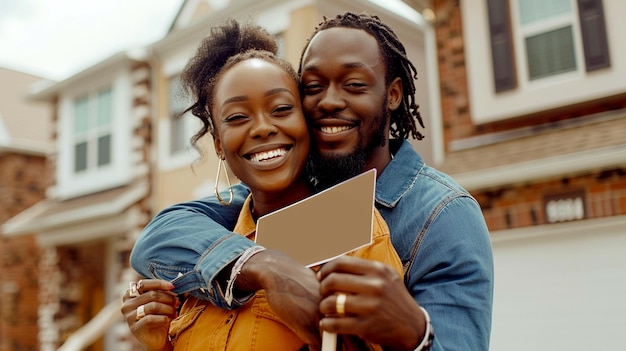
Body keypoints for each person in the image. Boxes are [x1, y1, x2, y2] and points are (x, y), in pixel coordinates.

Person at [129, 12, 494, 351]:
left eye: (353, 84)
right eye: (314, 86)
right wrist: (264, 267)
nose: (330, 101)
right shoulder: (247, 213)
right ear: (219, 144)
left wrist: (413, 331)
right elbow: (159, 235)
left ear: (393, 94)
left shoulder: (435, 215)